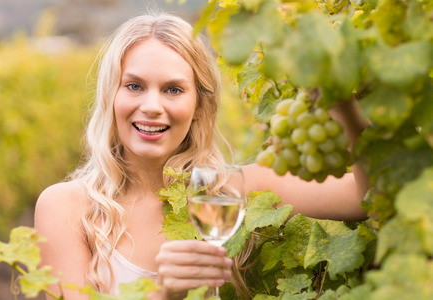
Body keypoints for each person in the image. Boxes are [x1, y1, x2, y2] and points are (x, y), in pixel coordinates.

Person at [34, 12, 369, 300]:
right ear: (111, 96)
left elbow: (367, 199)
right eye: (134, 86)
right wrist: (164, 294)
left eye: (173, 89)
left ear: (198, 106)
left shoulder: (229, 192)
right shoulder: (67, 208)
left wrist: (343, 104)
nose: (151, 106)